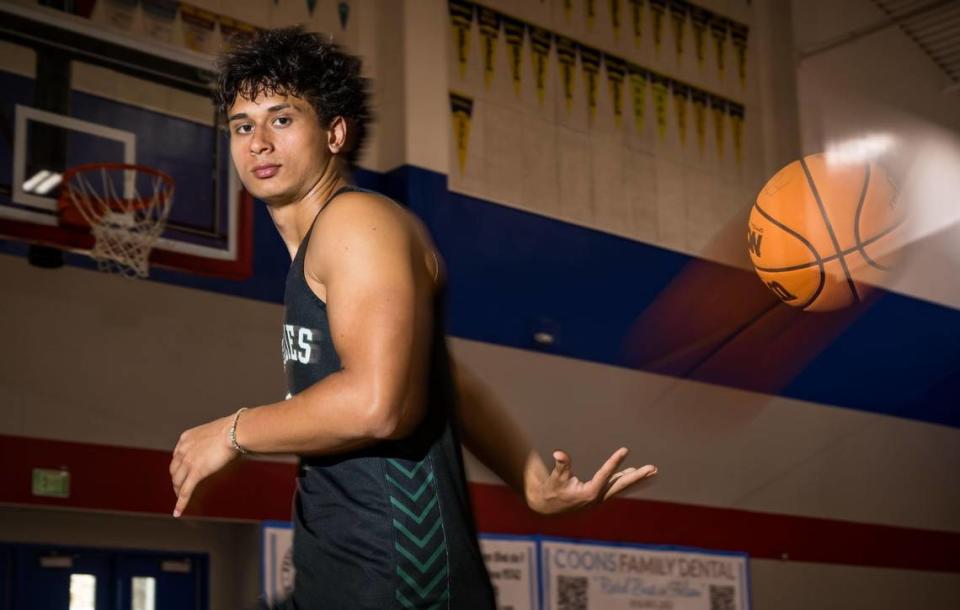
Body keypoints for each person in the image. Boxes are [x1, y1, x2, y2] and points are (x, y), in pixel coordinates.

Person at [168, 26, 658, 610]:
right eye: (243, 125)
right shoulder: (320, 248)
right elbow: (442, 375)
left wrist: (232, 430)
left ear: (335, 132)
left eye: (281, 118)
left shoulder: (356, 226)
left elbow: (379, 405)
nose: (258, 143)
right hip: (346, 577)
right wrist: (529, 482)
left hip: (401, 583)